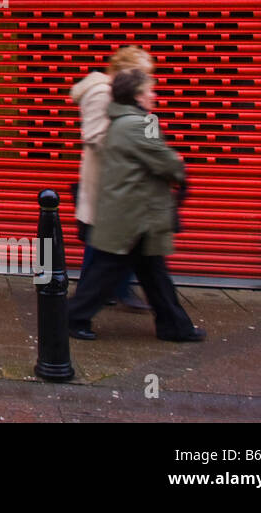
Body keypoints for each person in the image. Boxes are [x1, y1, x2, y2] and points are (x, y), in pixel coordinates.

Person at [67, 68, 205, 343]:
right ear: (137, 95)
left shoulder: (119, 120)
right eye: (149, 90)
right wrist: (178, 165)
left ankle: (174, 326)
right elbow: (166, 162)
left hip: (133, 215)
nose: (153, 95)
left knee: (154, 277)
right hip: (133, 218)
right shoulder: (141, 124)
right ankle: (70, 319)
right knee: (107, 275)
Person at [70, 45, 154, 311]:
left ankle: (99, 295)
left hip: (125, 183)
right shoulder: (101, 93)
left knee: (110, 243)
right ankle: (84, 305)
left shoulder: (127, 96)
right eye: (141, 74)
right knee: (105, 243)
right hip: (109, 182)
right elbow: (94, 136)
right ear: (124, 72)